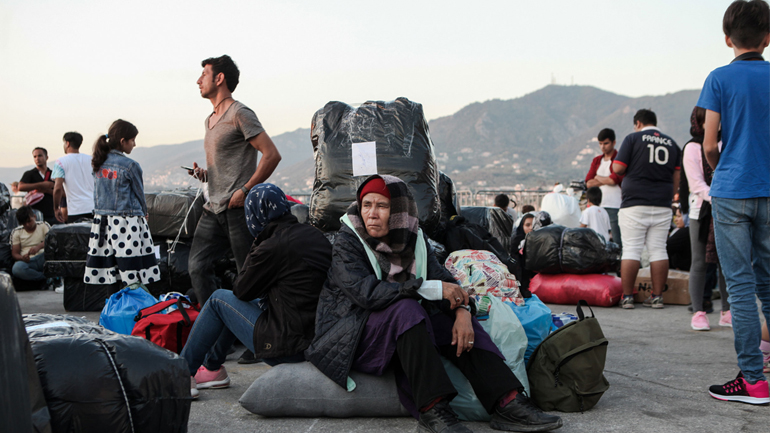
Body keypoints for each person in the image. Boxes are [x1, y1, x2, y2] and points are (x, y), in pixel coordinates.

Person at [305, 175, 562, 433]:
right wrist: (430, 289)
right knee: (408, 309)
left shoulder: (414, 237)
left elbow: (443, 280)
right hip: (352, 329)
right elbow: (367, 293)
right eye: (366, 205)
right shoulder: (348, 240)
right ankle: (433, 409)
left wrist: (462, 312)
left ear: (399, 210)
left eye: (382, 206)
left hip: (399, 321)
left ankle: (507, 401)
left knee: (446, 315)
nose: (371, 214)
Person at [182, 184, 331, 398]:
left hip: (287, 347)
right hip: (315, 338)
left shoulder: (273, 246)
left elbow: (241, 290)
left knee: (218, 300)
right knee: (230, 306)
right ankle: (213, 369)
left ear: (254, 216)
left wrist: (257, 243)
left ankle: (182, 373)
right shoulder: (311, 234)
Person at [697, 0, 770, 405]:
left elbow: (709, 144)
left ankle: (754, 383)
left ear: (728, 39)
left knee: (740, 289)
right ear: (768, 37)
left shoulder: (719, 78)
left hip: (731, 189)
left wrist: (722, 166)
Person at [187, 54, 282, 307]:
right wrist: (205, 175)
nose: (198, 80)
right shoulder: (209, 120)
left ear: (220, 78)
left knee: (248, 276)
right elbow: (227, 166)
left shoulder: (239, 113)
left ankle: (257, 334)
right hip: (212, 208)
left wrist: (245, 190)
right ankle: (218, 325)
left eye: (204, 74)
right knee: (197, 266)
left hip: (237, 210)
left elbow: (272, 155)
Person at [612, 109, 681, 310]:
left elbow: (618, 168)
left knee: (631, 249)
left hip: (635, 202)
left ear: (638, 123)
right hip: (662, 202)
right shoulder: (672, 144)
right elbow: (676, 179)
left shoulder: (633, 138)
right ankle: (657, 297)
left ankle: (627, 298)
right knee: (659, 249)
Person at [84, 120, 159, 286]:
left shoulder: (98, 162)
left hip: (102, 223)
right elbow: (140, 195)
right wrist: (144, 214)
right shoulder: (130, 165)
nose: (134, 144)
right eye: (132, 140)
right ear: (123, 141)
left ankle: (114, 307)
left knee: (111, 272)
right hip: (127, 223)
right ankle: (133, 308)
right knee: (132, 271)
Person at [680, 107, 731, 331]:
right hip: (702, 210)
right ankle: (698, 311)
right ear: (699, 123)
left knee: (726, 262)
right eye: (708, 121)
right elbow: (696, 184)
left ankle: (727, 311)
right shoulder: (691, 147)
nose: (715, 124)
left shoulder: (728, 142)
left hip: (727, 210)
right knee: (699, 262)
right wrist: (721, 197)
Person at [585, 128, 623, 247]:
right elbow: (588, 183)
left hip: (615, 204)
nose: (603, 147)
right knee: (597, 238)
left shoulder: (619, 159)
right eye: (600, 144)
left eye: (606, 143)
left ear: (613, 142)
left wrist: (597, 177)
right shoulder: (597, 160)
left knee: (617, 239)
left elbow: (613, 180)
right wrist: (606, 179)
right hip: (597, 206)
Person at [52, 132, 94, 223]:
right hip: (94, 208)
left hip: (76, 210)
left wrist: (56, 208)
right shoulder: (91, 160)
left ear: (67, 143)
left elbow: (57, 188)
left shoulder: (61, 162)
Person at [10, 205, 50, 282]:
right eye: (24, 223)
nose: (27, 225)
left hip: (43, 257)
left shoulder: (43, 225)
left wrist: (38, 247)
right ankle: (44, 278)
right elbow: (15, 253)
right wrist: (22, 258)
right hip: (28, 262)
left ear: (34, 217)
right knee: (17, 269)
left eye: (29, 221)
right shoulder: (17, 232)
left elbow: (52, 242)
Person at [18, 147, 56, 225]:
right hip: (34, 214)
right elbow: (21, 187)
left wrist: (46, 191)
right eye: (35, 157)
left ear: (47, 157)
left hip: (51, 213)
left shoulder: (53, 174)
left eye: (40, 156)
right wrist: (41, 185)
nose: (37, 159)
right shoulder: (30, 174)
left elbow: (62, 193)